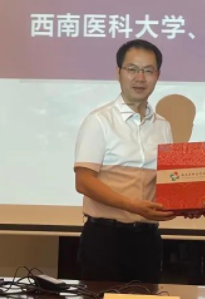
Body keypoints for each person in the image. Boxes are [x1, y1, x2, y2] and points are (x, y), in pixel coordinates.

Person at [74, 39, 173, 282]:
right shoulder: (99, 121)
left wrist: (190, 204)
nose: (140, 78)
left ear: (158, 75)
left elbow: (168, 182)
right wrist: (132, 206)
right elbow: (84, 181)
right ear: (118, 72)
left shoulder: (163, 126)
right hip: (105, 239)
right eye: (132, 69)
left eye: (148, 70)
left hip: (148, 240)